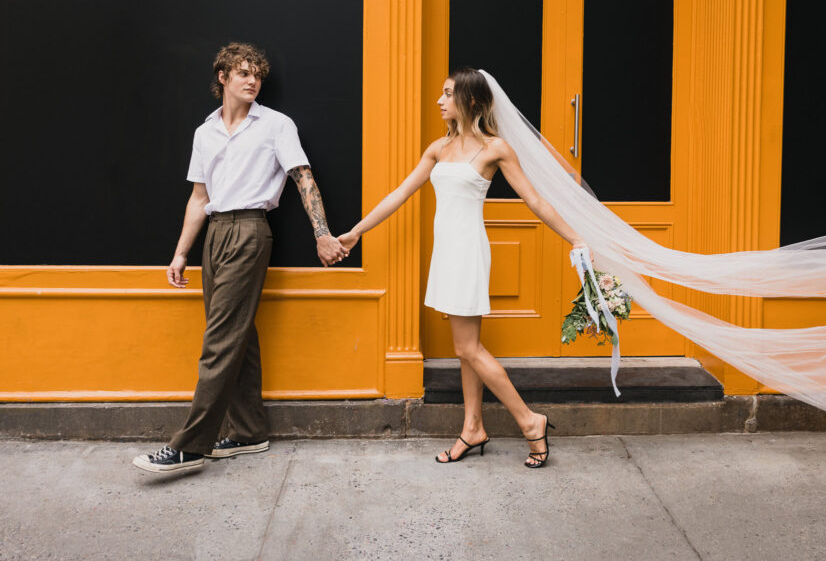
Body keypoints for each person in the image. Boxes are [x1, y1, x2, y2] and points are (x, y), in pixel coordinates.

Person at [338, 68, 585, 468]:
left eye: (448, 93)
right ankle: (472, 427)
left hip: (468, 250)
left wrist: (575, 238)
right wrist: (356, 232)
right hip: (446, 252)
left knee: (466, 347)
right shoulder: (438, 148)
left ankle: (529, 420)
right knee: (466, 350)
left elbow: (536, 201)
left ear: (470, 100)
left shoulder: (495, 149)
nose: (440, 100)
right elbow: (399, 194)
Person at [133, 43, 347, 473]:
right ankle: (249, 431)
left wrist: (322, 234)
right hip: (215, 234)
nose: (252, 81)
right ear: (223, 78)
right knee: (238, 335)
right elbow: (199, 198)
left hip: (250, 230)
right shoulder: (204, 132)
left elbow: (303, 178)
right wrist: (180, 254)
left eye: (258, 75)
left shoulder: (275, 125)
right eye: (243, 73)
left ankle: (190, 444)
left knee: (219, 340)